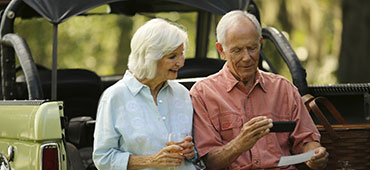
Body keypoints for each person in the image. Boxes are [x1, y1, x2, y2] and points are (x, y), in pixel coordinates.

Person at [190, 10, 329, 170]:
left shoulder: (283, 88)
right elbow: (209, 163)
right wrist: (240, 144)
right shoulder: (202, 94)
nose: (247, 57)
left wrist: (315, 155)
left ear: (260, 43)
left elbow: (306, 140)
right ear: (221, 50)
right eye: (237, 50)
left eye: (252, 48)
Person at [93, 18, 199, 170]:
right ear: (150, 57)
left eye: (181, 54)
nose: (181, 62)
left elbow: (198, 153)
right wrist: (151, 161)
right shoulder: (115, 97)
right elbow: (102, 158)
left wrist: (192, 152)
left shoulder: (182, 94)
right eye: (172, 56)